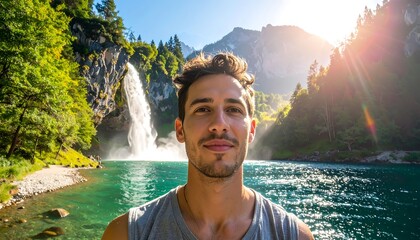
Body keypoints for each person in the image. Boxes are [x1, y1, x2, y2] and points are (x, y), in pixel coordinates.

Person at [102, 52, 314, 240]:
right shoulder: (125, 234)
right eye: (203, 109)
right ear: (180, 130)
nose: (219, 124)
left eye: (234, 110)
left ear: (251, 130)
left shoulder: (295, 235)